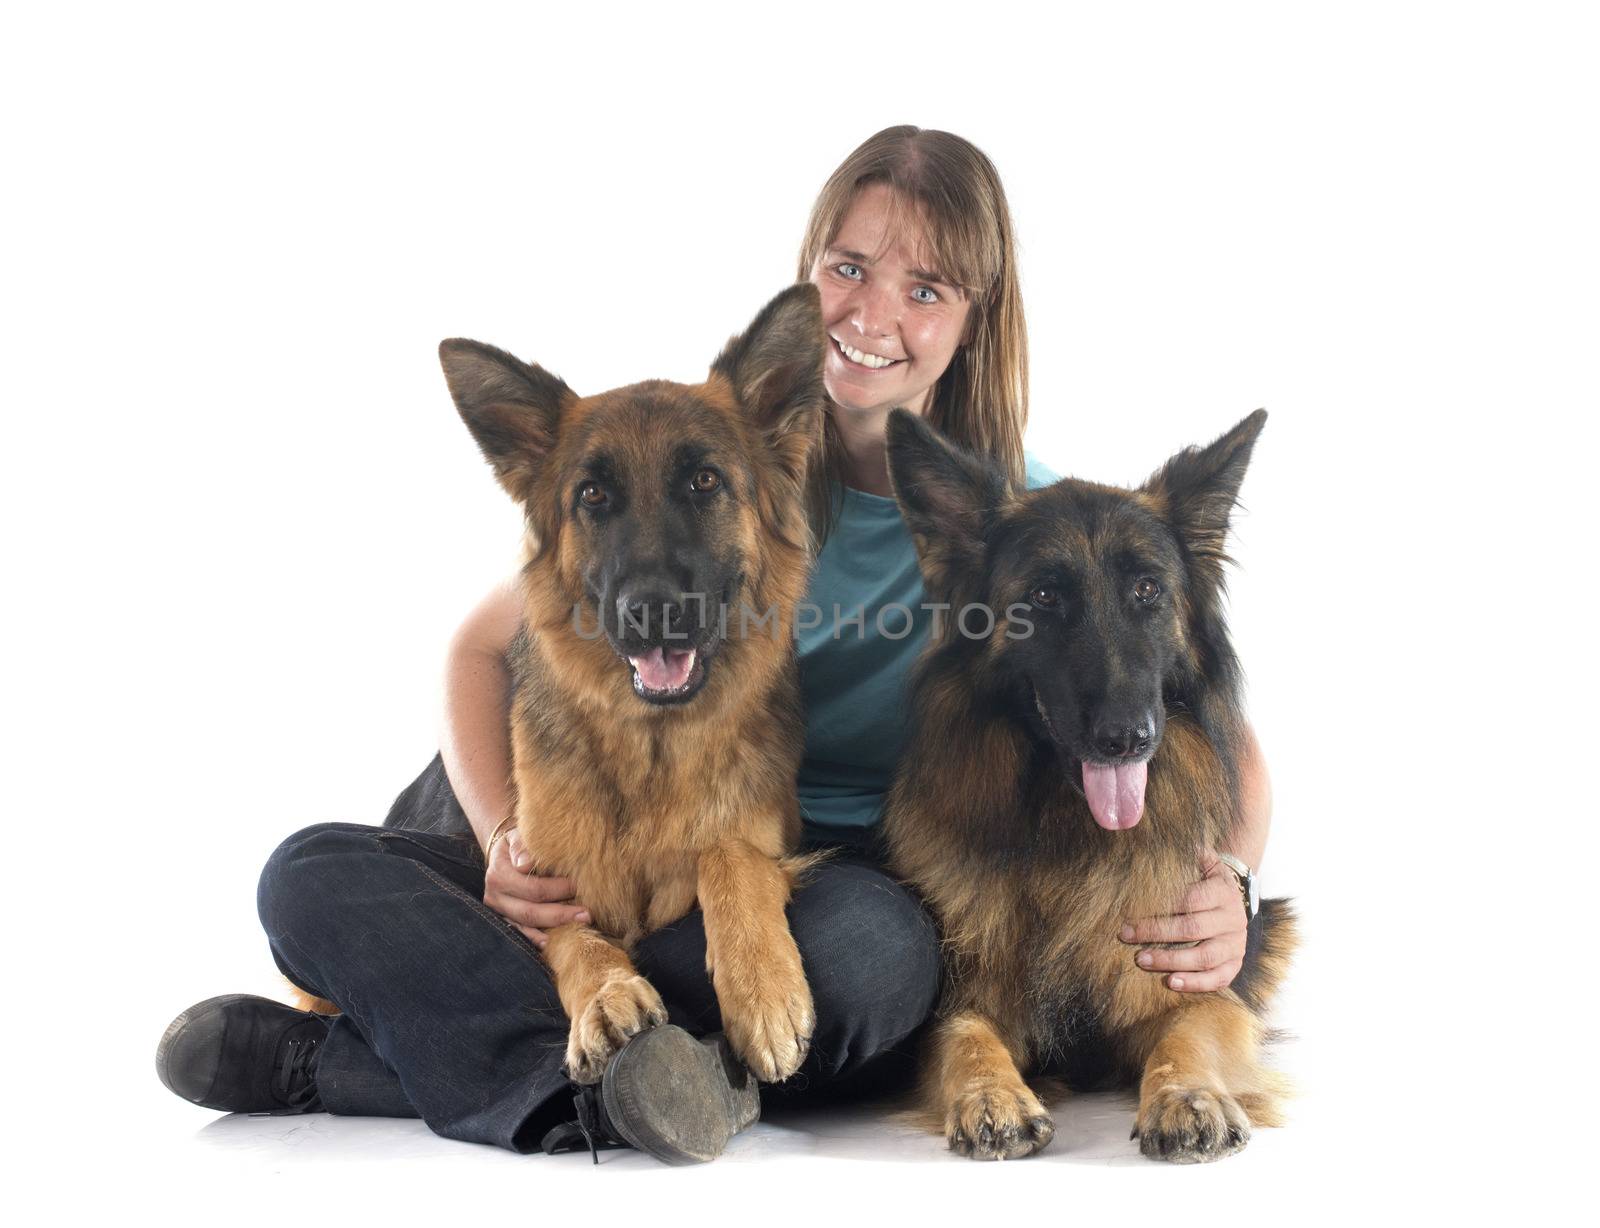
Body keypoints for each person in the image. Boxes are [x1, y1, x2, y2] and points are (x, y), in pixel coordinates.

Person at [156, 125, 1272, 1160]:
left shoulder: (1019, 522)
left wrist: (1229, 876)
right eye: (848, 267)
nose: (871, 313)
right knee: (305, 873)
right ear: (808, 268)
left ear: (973, 321)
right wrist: (507, 848)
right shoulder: (704, 461)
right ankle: (649, 1068)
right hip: (602, 867)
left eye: (923, 288)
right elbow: (478, 649)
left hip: (823, 884)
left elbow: (1204, 713)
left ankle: (357, 1060)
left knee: (883, 962)